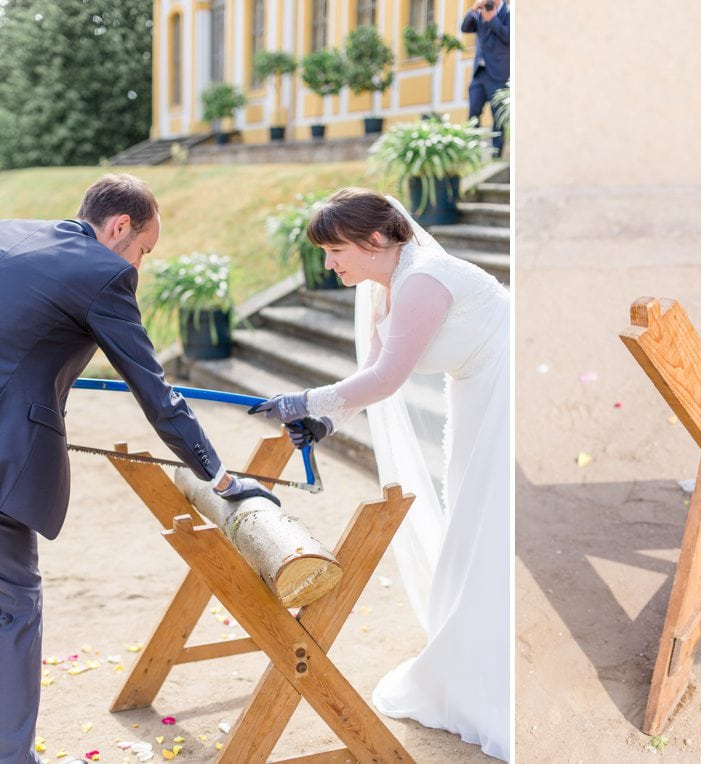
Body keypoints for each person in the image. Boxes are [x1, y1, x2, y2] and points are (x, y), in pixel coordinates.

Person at [0, 173, 277, 764]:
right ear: (120, 226)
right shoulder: (101, 273)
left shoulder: (12, 235)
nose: (140, 266)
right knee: (13, 607)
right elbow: (156, 393)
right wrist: (220, 476)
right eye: (144, 250)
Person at [251, 188, 510, 760]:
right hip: (475, 397)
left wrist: (301, 401)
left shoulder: (424, 278)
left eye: (335, 250)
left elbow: (389, 378)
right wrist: (323, 424)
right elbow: (368, 374)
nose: (329, 264)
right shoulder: (384, 286)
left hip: (505, 392)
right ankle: (472, 653)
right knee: (474, 518)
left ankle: (494, 667)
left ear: (375, 241)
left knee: (488, 522)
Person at [461, 0, 511, 156]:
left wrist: (492, 20)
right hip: (479, 73)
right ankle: (472, 150)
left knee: (498, 116)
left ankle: (496, 151)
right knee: (473, 112)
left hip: (498, 72)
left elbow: (509, 37)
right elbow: (465, 28)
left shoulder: (509, 13)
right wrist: (473, 9)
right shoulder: (481, 11)